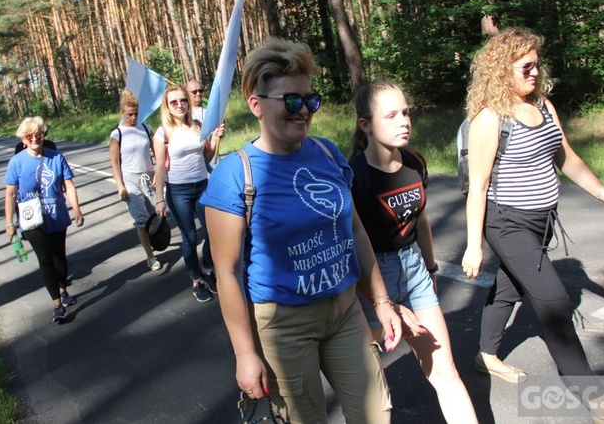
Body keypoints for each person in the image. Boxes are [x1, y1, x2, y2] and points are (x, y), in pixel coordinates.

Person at [201, 38, 426, 424]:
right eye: (291, 101)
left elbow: (354, 230)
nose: (303, 111)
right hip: (284, 325)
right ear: (256, 104)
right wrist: (245, 353)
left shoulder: (326, 153)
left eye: (309, 100)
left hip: (344, 312)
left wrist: (382, 303)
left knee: (376, 415)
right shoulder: (235, 175)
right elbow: (227, 274)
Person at [461, 28, 604, 388]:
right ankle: (588, 390)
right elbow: (477, 188)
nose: (534, 73)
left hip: (542, 220)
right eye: (525, 67)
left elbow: (567, 160)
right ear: (501, 70)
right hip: (506, 221)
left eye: (536, 65)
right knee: (555, 301)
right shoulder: (490, 119)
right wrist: (473, 245)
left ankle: (486, 355)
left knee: (510, 286)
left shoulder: (543, 106)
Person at [349, 81, 477, 423]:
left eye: (405, 113)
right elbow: (350, 245)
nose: (403, 121)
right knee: (370, 391)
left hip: (415, 271)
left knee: (446, 372)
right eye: (391, 115)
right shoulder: (354, 177)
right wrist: (382, 301)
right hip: (372, 280)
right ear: (366, 124)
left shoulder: (414, 164)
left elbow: (420, 222)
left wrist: (431, 269)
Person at [4, 116, 84, 323]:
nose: (34, 139)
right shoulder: (16, 162)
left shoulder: (56, 157)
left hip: (57, 215)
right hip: (32, 221)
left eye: (38, 134)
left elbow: (69, 186)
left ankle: (63, 289)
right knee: (45, 260)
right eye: (29, 136)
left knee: (59, 257)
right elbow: (11, 194)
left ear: (43, 135)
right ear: (23, 139)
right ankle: (57, 305)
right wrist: (9, 223)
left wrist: (77, 209)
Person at [153, 84, 223, 302]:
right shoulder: (163, 132)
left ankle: (208, 268)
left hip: (202, 185)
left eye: (183, 100)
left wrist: (216, 138)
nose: (180, 105)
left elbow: (207, 157)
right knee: (190, 238)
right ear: (167, 106)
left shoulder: (198, 125)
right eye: (174, 102)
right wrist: (159, 200)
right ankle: (196, 281)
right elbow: (158, 168)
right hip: (179, 191)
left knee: (212, 232)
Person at [109, 90, 162, 271]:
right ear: (122, 113)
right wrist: (120, 185)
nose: (133, 117)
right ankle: (150, 257)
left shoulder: (146, 129)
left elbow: (157, 152)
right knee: (142, 219)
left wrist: (157, 173)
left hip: (148, 177)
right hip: (130, 180)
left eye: (135, 114)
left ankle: (153, 240)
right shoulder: (117, 134)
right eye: (129, 114)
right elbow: (115, 163)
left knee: (157, 216)